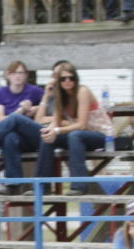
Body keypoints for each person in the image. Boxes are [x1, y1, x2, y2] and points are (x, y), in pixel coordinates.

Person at [35, 62, 114, 195]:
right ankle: (43, 186)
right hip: (80, 136)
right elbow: (54, 121)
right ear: (58, 81)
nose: (67, 81)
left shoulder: (82, 91)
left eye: (71, 78)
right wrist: (50, 131)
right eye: (63, 78)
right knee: (48, 139)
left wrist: (57, 130)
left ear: (76, 79)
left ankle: (79, 186)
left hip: (102, 135)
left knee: (74, 135)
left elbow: (82, 124)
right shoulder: (60, 96)